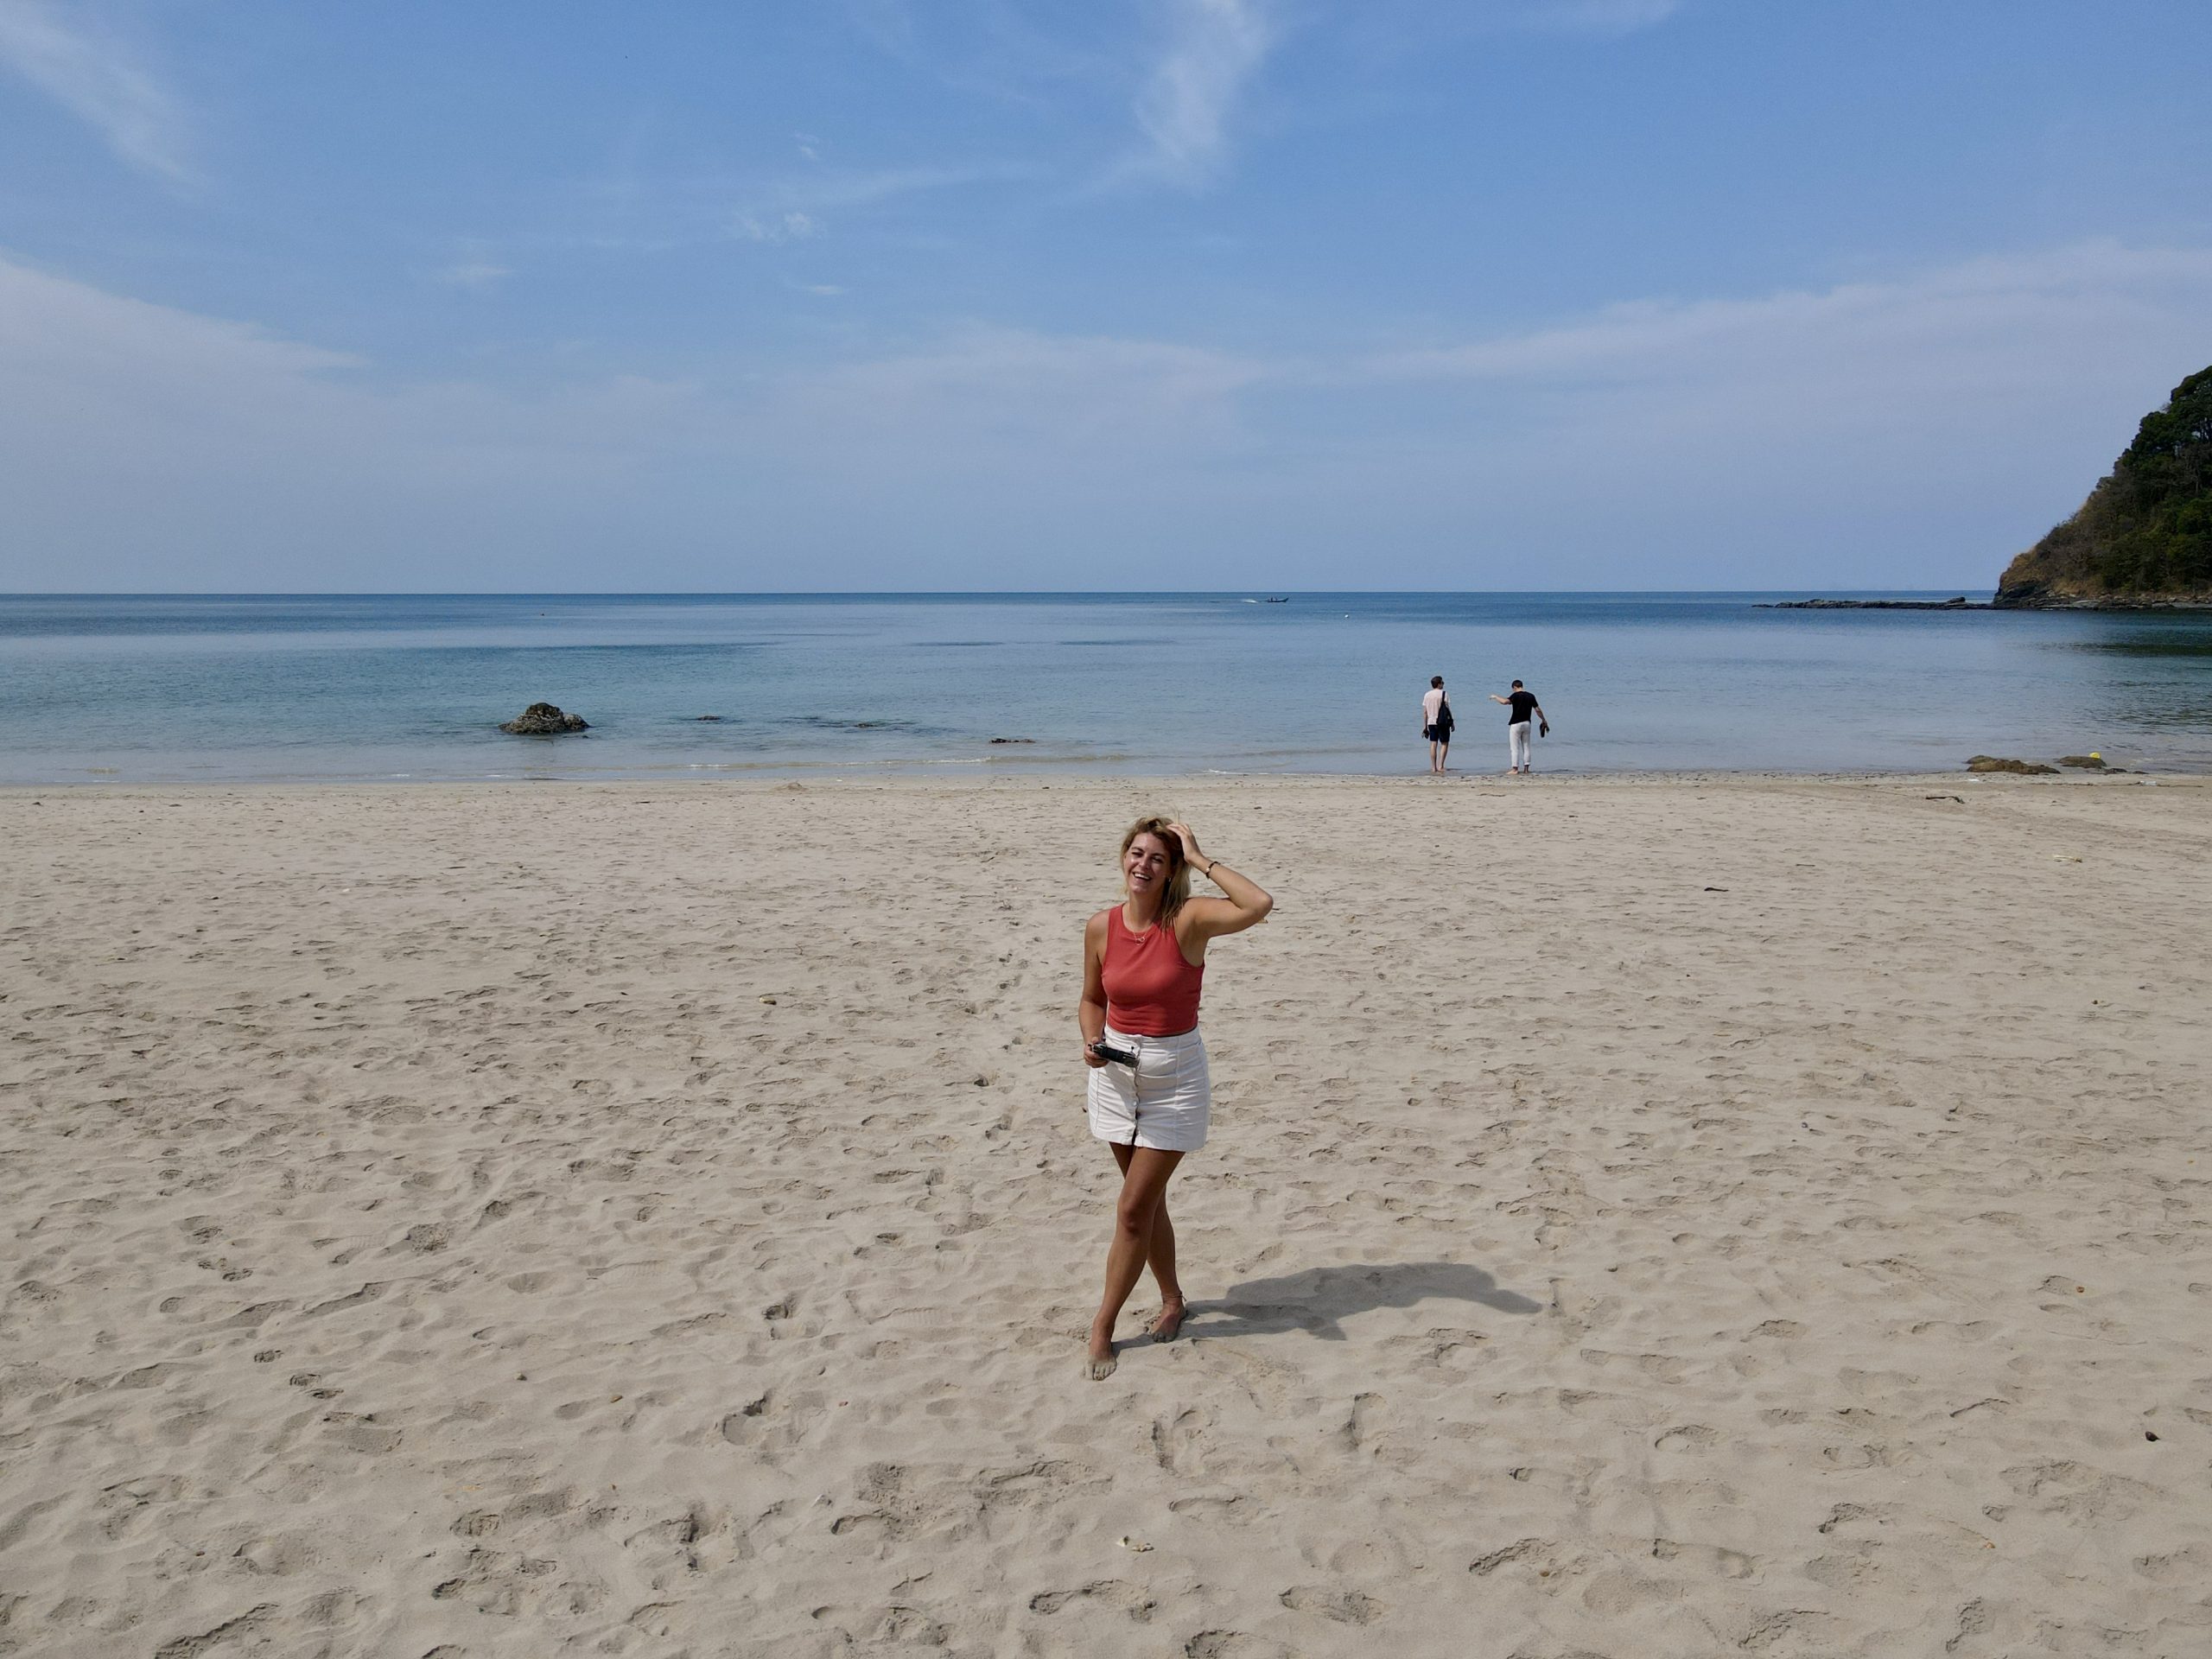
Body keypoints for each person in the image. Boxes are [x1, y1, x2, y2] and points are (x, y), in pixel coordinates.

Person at [1077, 817, 1273, 1379]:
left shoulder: (1187, 920)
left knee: (1133, 1209)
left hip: (1176, 1079)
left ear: (1172, 871)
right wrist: (1091, 1040)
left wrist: (1200, 854)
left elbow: (1258, 903)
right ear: (1123, 858)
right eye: (1136, 854)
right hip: (1114, 1078)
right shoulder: (1100, 927)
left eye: (1158, 859)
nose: (1143, 865)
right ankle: (1172, 1300)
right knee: (1146, 1205)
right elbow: (1091, 1000)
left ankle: (1103, 1325)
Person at [1490, 679, 1548, 774]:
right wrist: (1543, 720)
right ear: (1521, 686)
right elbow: (1538, 710)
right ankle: (1526, 769)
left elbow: (1504, 702)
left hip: (1516, 724)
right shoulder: (1531, 696)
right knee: (1526, 746)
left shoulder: (1515, 696)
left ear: (1514, 687)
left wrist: (1496, 697)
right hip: (1527, 723)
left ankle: (1515, 769)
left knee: (1515, 747)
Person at [1421, 676, 1454, 773]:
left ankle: (1433, 767)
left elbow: (1425, 712)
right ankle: (1441, 766)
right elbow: (1447, 709)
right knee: (1444, 743)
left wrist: (1425, 726)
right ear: (1439, 684)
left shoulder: (1427, 695)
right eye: (1442, 682)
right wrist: (1452, 721)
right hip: (1442, 722)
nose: (1443, 684)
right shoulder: (1444, 694)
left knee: (1433, 743)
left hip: (1431, 722)